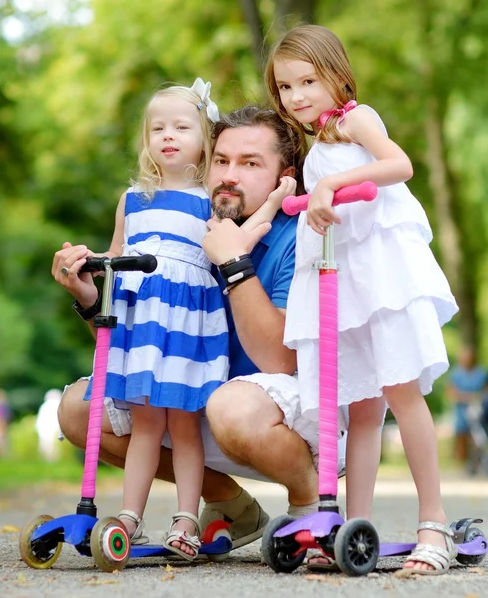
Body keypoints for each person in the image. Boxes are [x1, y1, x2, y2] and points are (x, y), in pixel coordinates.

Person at [51, 104, 330, 560]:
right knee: (79, 408)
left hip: (277, 420)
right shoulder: (182, 219)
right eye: (222, 160)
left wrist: (234, 264)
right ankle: (232, 505)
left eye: (250, 163)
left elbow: (283, 362)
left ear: (285, 175)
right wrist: (88, 298)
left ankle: (307, 503)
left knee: (231, 406)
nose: (229, 175)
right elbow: (137, 347)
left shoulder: (295, 234)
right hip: (193, 402)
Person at [265, 24, 459, 574]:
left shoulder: (355, 118)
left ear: (336, 74)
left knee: (401, 393)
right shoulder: (316, 142)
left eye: (308, 80)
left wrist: (325, 189)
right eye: (285, 87)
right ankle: (353, 530)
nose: (297, 95)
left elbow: (400, 165)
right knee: (362, 409)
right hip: (340, 273)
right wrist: (301, 194)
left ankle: (434, 525)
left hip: (379, 272)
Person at [447, 345, 488, 463]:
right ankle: (461, 460)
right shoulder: (456, 373)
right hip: (461, 408)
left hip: (477, 408)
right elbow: (451, 392)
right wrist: (468, 397)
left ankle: (476, 460)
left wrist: (475, 398)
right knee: (461, 434)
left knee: (476, 434)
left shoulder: (481, 372)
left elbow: (485, 391)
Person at [35, 389, 62, 462]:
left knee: (46, 446)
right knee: (53, 447)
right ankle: (52, 461)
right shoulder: (58, 405)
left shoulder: (44, 406)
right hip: (52, 429)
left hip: (45, 429)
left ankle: (49, 461)